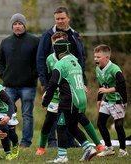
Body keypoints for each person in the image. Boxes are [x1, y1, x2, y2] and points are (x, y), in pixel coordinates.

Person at [36, 7, 103, 150]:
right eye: (57, 19)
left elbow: (81, 60)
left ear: (68, 18)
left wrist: (82, 82)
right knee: (51, 120)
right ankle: (48, 145)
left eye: (62, 18)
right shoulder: (48, 39)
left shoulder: (74, 36)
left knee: (77, 119)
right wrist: (45, 86)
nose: (60, 21)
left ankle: (92, 144)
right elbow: (43, 64)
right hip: (55, 91)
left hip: (70, 89)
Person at [42, 39, 97, 162]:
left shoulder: (60, 64)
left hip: (70, 100)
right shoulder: (75, 61)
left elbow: (52, 84)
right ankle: (88, 148)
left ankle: (62, 157)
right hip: (82, 99)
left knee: (61, 127)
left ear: (57, 50)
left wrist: (46, 101)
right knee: (72, 126)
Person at [0, 13, 39, 148]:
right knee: (5, 113)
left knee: (27, 114)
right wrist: (4, 75)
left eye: (20, 24)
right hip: (9, 86)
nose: (17, 26)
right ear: (12, 26)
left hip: (28, 86)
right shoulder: (5, 42)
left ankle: (25, 142)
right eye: (15, 24)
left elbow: (39, 62)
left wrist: (32, 76)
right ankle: (6, 141)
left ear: (24, 25)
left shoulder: (34, 41)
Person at [94, 44, 128, 157]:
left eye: (98, 57)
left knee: (118, 126)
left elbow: (122, 85)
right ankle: (109, 148)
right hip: (107, 100)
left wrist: (107, 91)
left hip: (119, 100)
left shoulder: (115, 69)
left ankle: (123, 150)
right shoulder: (98, 69)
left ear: (107, 58)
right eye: (95, 57)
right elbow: (101, 83)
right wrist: (99, 99)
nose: (95, 59)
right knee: (100, 123)